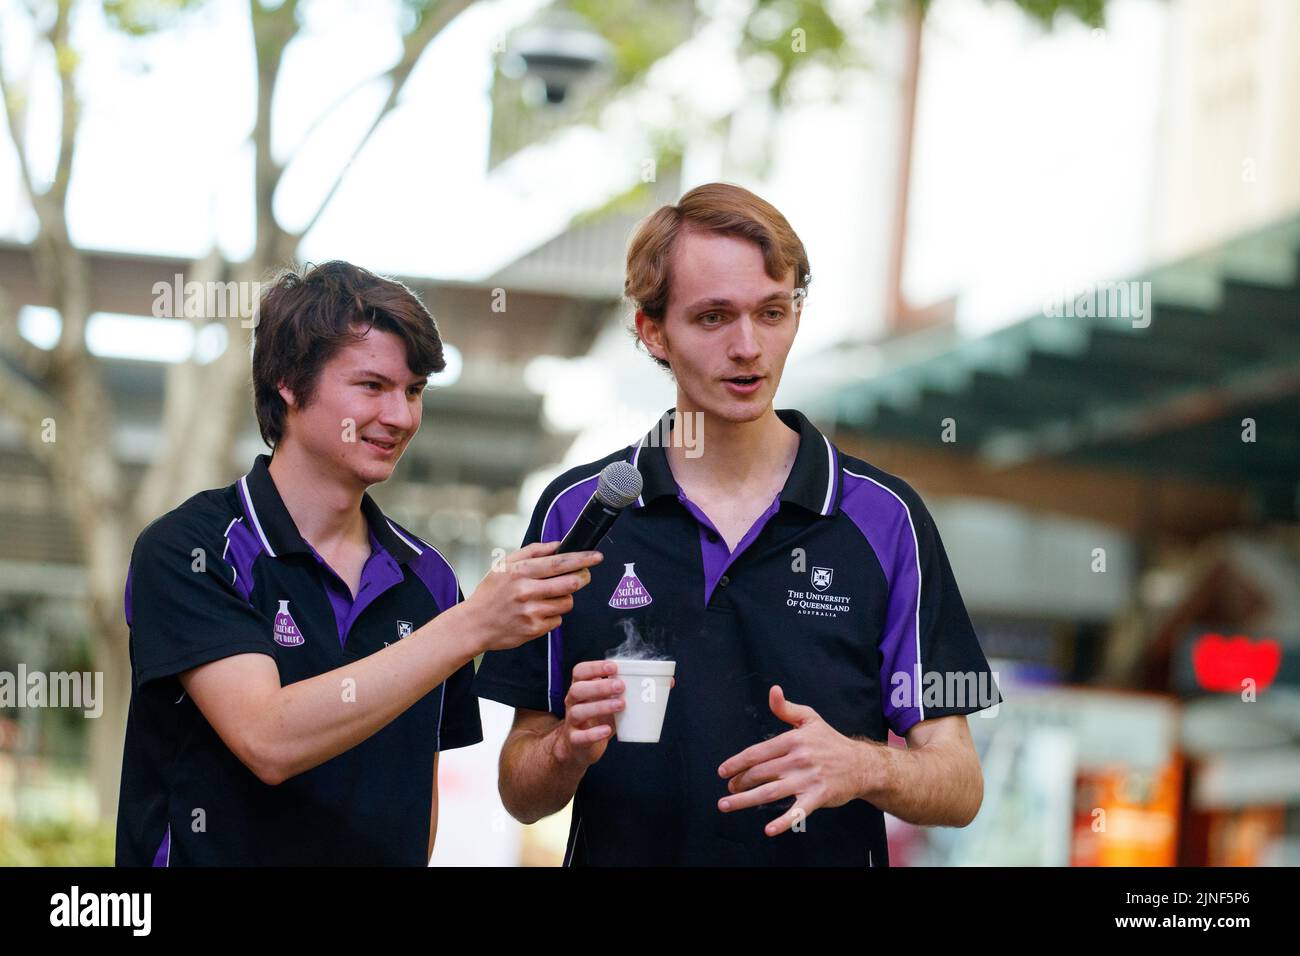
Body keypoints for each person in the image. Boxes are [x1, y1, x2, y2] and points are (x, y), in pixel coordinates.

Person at [475, 183, 1003, 866]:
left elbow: (960, 785)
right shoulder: (581, 511)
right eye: (714, 317)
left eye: (772, 312)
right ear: (652, 330)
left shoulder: (884, 518)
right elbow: (521, 793)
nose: (749, 346)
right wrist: (565, 749)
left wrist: (863, 766)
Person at [115, 261, 602, 865]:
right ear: (289, 383)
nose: (400, 417)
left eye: (414, 391)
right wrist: (472, 624)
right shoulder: (190, 550)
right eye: (372, 387)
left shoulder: (430, 581)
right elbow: (267, 738)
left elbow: (414, 805)